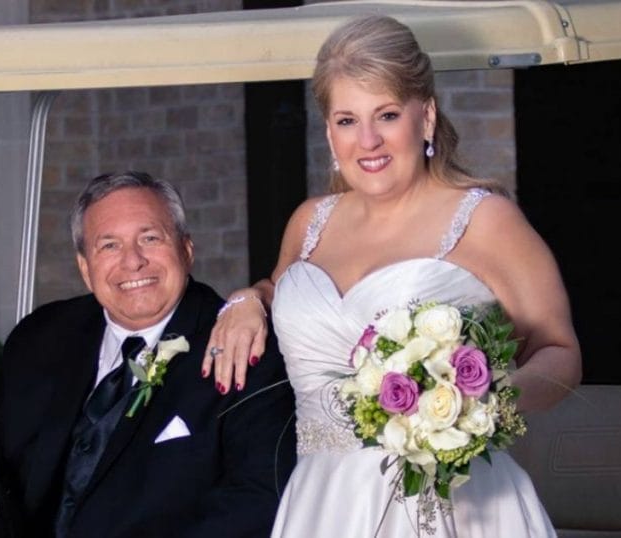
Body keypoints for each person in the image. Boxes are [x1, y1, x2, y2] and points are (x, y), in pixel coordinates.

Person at [202, 15, 581, 537]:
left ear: (424, 117)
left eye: (386, 114)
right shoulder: (309, 222)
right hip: (322, 502)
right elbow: (278, 288)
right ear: (329, 132)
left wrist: (478, 407)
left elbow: (561, 353)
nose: (368, 141)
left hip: (454, 503)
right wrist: (245, 299)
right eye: (347, 120)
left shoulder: (486, 220)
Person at [0, 171, 296, 537]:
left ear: (186, 249)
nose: (133, 262)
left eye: (150, 238)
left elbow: (260, 497)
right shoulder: (43, 337)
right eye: (109, 246)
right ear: (85, 268)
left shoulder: (243, 346)